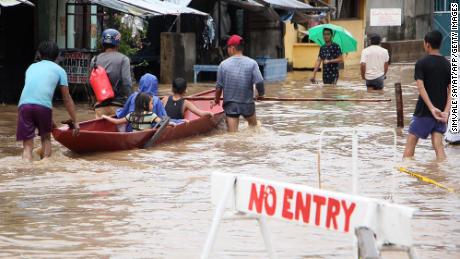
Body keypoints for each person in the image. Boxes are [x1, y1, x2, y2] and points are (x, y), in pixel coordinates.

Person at [16, 41, 79, 161]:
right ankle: (45, 168)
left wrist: (49, 119)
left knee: (27, 147)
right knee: (46, 139)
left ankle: (25, 169)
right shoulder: (60, 70)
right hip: (43, 107)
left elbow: (34, 94)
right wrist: (75, 121)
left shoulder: (31, 67)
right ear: (57, 56)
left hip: (24, 105)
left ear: (39, 54)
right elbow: (67, 98)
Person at [403, 30, 451, 161]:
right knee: (438, 145)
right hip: (441, 113)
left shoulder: (421, 63)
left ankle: (403, 174)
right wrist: (446, 112)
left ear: (427, 44)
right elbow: (452, 90)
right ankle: (442, 173)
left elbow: (420, 87)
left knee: (410, 144)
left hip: (424, 112)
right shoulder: (447, 64)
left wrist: (431, 108)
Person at [211, 35, 265, 132]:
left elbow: (219, 87)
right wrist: (261, 95)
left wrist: (216, 100)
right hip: (247, 104)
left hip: (231, 106)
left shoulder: (223, 65)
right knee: (254, 128)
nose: (227, 50)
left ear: (232, 48)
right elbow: (260, 81)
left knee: (233, 135)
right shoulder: (252, 63)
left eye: (228, 48)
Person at [91, 28, 132, 118]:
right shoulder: (123, 59)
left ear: (103, 43)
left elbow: (90, 83)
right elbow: (127, 83)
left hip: (99, 106)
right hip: (119, 106)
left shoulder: (94, 60)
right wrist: (131, 102)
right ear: (118, 44)